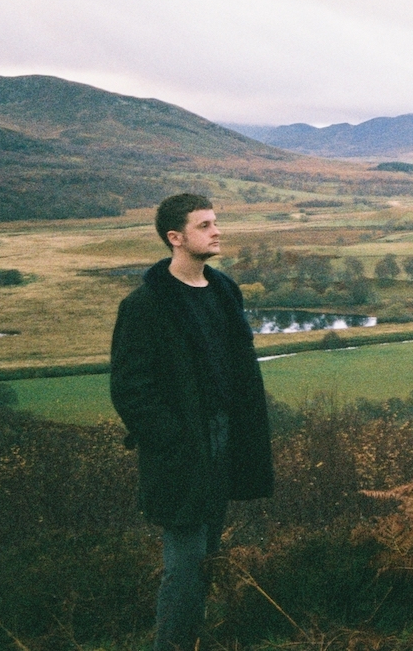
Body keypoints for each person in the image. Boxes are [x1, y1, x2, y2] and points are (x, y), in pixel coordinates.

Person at [111, 194, 274, 651]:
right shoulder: (145, 305)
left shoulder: (224, 291)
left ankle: (192, 641)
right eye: (204, 225)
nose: (217, 231)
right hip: (182, 452)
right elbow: (130, 389)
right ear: (175, 238)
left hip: (225, 441)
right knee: (185, 563)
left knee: (208, 558)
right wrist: (174, 441)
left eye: (215, 222)